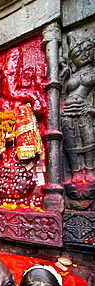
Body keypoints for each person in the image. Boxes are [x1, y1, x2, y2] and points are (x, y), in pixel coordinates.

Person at [60, 31, 95, 183]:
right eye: (78, 53)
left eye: (87, 49)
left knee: (89, 140)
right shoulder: (70, 74)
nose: (84, 54)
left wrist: (91, 109)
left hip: (85, 110)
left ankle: (90, 171)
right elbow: (59, 93)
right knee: (71, 143)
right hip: (67, 112)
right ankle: (76, 173)